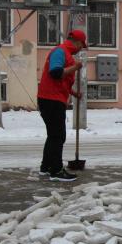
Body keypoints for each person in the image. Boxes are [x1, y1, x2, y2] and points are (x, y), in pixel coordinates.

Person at [37, 30, 86, 182]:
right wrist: (75, 68)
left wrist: (73, 92)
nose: (80, 49)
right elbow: (56, 73)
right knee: (58, 136)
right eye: (81, 46)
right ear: (77, 42)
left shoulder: (64, 53)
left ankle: (45, 167)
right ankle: (56, 170)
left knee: (53, 135)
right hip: (51, 100)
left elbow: (60, 82)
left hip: (51, 98)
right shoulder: (60, 51)